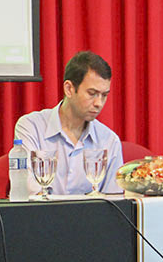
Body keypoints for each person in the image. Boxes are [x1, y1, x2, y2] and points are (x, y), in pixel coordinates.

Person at [15, 50, 123, 195]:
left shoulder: (109, 140)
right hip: (41, 215)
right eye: (92, 94)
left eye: (104, 95)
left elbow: (114, 200)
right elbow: (29, 190)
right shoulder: (31, 126)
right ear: (69, 89)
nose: (99, 103)